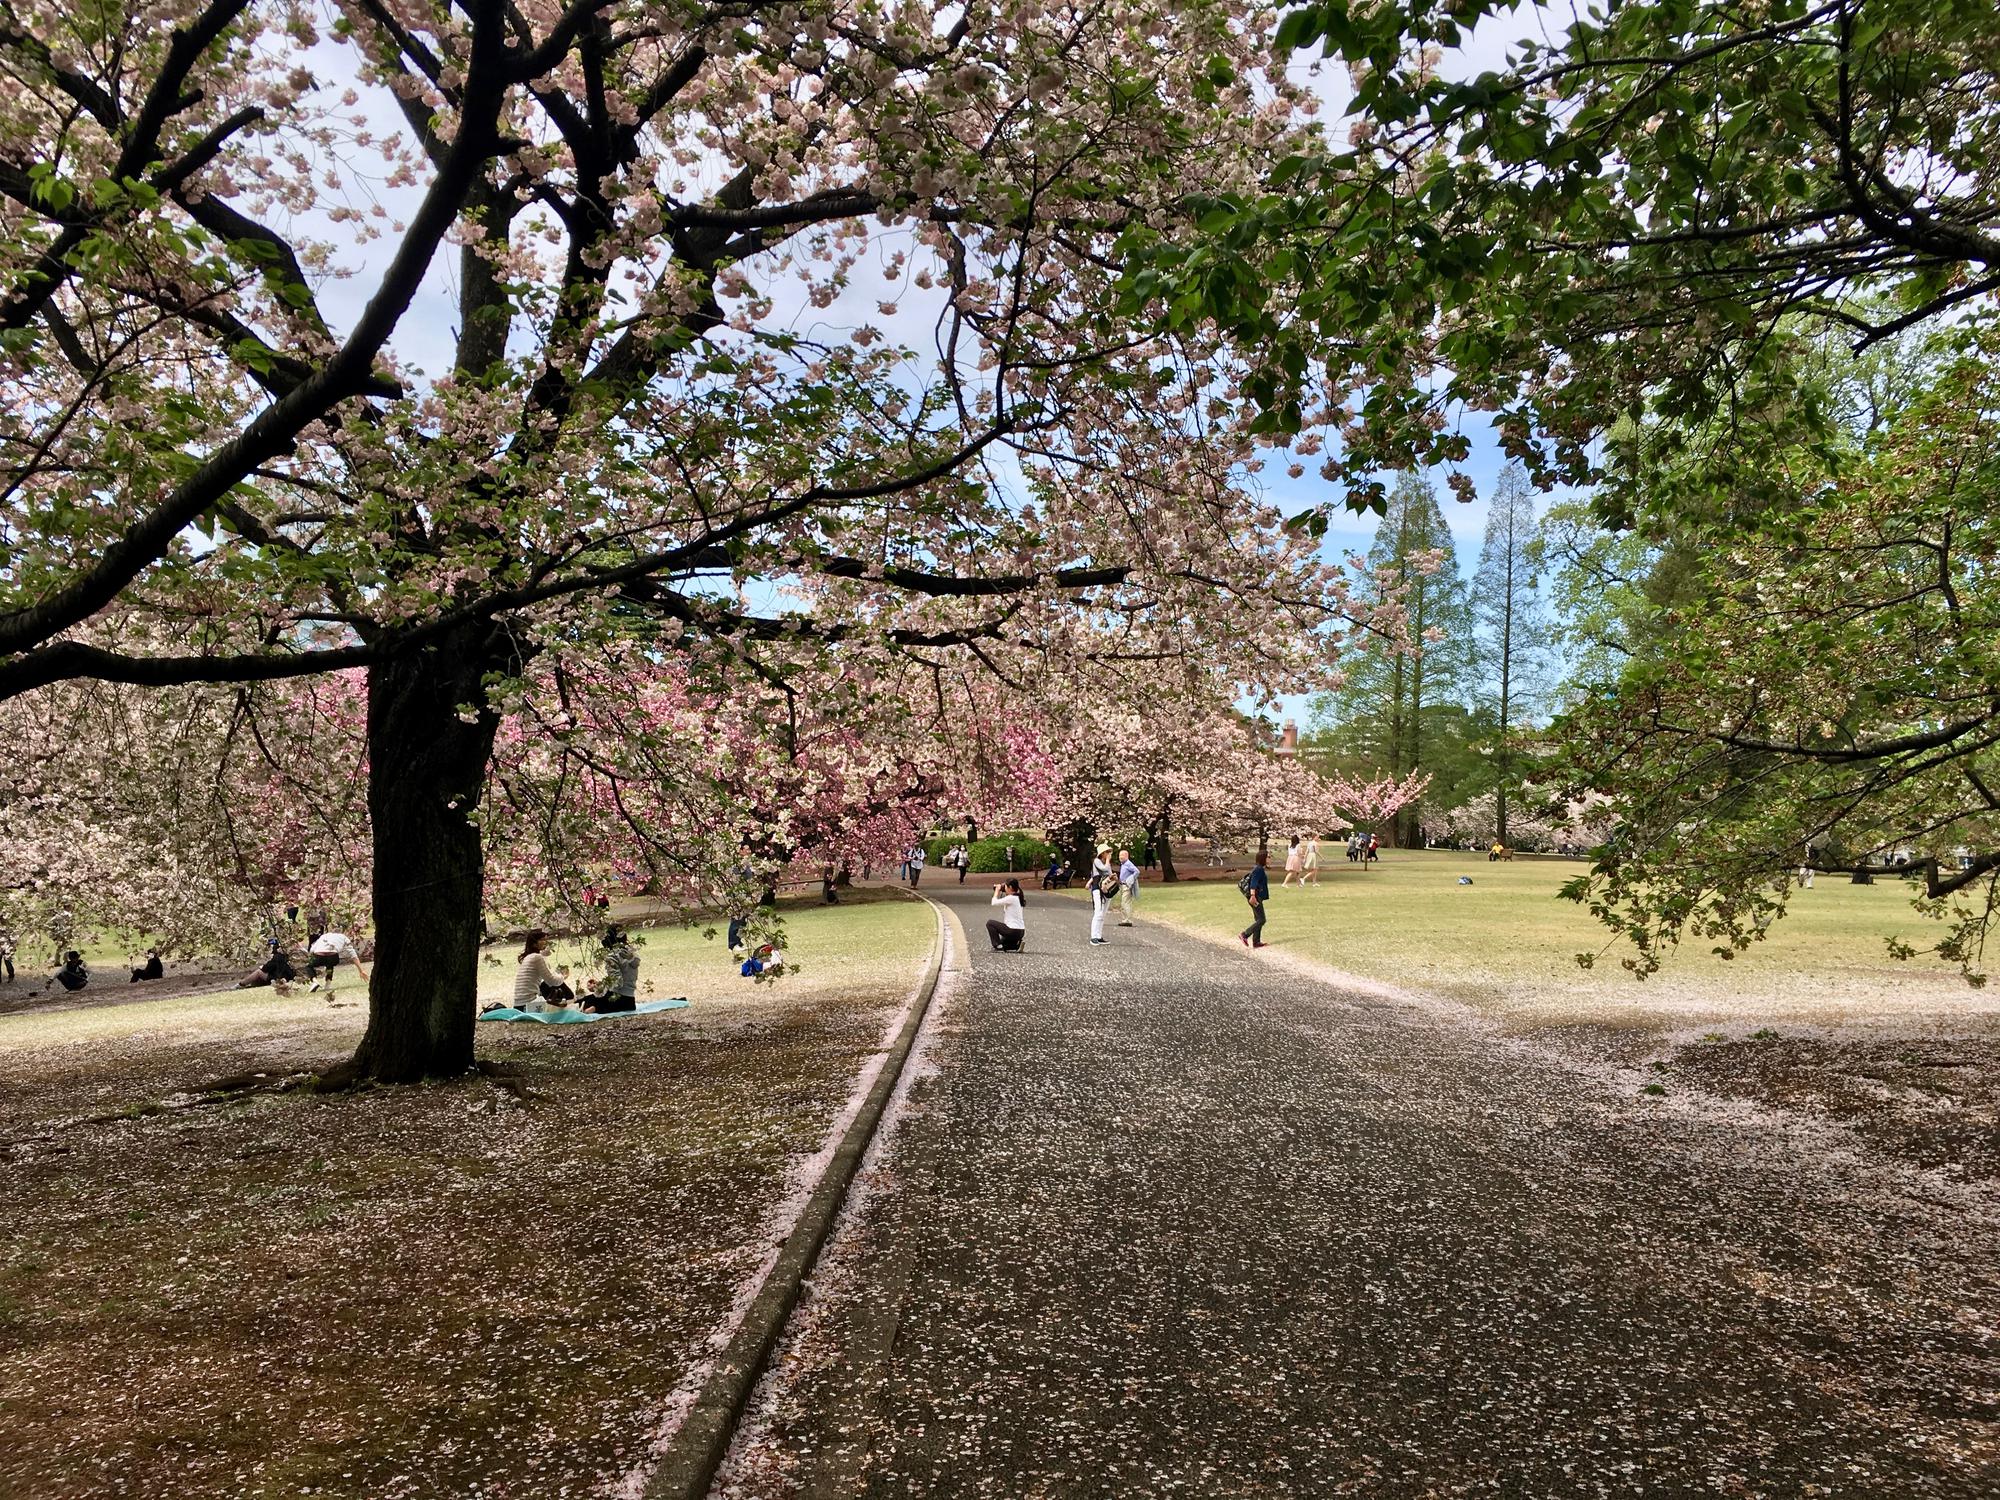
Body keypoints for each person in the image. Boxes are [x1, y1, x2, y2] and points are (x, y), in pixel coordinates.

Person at [581, 926, 640, 1013]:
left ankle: (594, 1008)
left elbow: (617, 983)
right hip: (630, 1001)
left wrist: (597, 987)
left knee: (586, 1001)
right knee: (589, 998)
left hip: (616, 1000)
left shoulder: (612, 956)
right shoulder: (630, 954)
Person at [512, 930, 570, 1007]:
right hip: (528, 1004)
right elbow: (551, 981)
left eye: (545, 940)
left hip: (519, 1004)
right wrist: (563, 976)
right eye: (542, 940)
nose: (545, 942)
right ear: (534, 943)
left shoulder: (528, 957)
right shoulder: (537, 957)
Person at [306, 929, 368, 995]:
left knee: (309, 966)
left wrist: (311, 959)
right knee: (330, 965)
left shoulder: (324, 936)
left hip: (319, 955)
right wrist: (361, 970)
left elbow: (312, 950)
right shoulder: (344, 937)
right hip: (333, 957)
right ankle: (327, 984)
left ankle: (315, 981)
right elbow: (353, 955)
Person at [1239, 854, 1270, 949]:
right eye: (1268, 857)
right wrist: (1253, 896)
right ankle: (1245, 934)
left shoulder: (1259, 868)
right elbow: (1253, 883)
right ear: (1263, 858)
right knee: (1262, 919)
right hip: (1255, 897)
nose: (1269, 859)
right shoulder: (1259, 869)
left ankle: (1256, 942)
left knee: (1258, 919)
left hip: (1256, 896)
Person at [987, 880, 1026, 951]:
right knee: (1003, 944)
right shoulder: (1018, 898)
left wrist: (997, 890)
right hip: (1020, 932)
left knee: (990, 923)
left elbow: (994, 902)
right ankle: (1016, 945)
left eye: (1005, 887)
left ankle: (997, 945)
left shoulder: (1011, 898)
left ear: (1010, 887)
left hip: (1012, 930)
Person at [1087, 844, 1115, 945]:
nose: (1109, 854)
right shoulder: (1097, 861)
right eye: (1107, 852)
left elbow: (1109, 873)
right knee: (1098, 912)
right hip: (1097, 888)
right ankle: (1093, 936)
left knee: (1103, 914)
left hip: (1105, 889)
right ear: (1102, 853)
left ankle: (1098, 936)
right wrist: (1108, 861)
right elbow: (1103, 869)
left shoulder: (1106, 862)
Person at [1117, 847, 1140, 927]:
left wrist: (1130, 879)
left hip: (1126, 886)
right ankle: (1125, 919)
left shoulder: (1128, 864)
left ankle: (1127, 920)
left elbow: (1137, 871)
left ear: (1127, 856)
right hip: (1122, 885)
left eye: (1122, 855)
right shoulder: (1123, 864)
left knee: (1125, 903)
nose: (1120, 857)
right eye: (1119, 855)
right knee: (1125, 902)